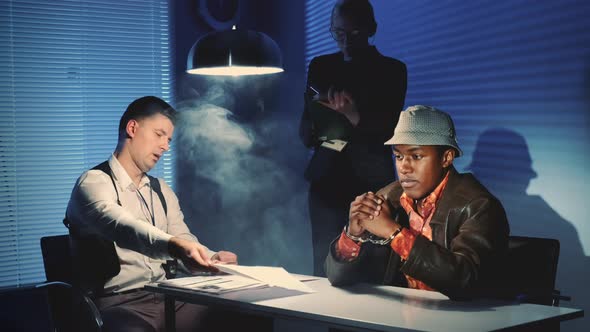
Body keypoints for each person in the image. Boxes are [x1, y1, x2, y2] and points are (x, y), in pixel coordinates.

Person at [66, 96, 270, 331]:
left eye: (169, 139)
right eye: (159, 134)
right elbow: (125, 227)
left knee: (248, 314)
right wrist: (174, 245)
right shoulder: (93, 183)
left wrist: (210, 259)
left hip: (169, 297)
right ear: (132, 128)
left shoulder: (161, 189)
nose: (165, 146)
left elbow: (183, 237)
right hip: (118, 304)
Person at [325, 105, 510, 300]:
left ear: (446, 157)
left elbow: (465, 280)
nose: (404, 167)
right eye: (399, 156)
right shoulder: (388, 198)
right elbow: (338, 278)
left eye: (416, 156)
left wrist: (394, 232)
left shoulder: (479, 206)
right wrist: (353, 235)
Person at [299, 0, 407, 277]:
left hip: (370, 183)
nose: (345, 41)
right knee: (324, 263)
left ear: (371, 29)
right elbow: (305, 129)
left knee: (371, 266)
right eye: (338, 33)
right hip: (326, 179)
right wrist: (322, 122)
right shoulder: (321, 66)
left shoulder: (391, 69)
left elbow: (390, 129)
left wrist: (353, 116)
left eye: (354, 33)